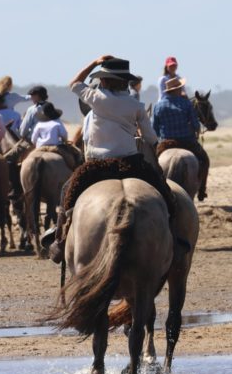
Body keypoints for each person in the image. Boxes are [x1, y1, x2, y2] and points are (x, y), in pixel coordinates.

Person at [43, 56, 175, 264]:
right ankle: (174, 235)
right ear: (125, 81)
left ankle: (60, 239)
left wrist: (95, 62)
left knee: (67, 192)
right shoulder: (136, 105)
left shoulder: (95, 98)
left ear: (104, 80)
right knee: (165, 192)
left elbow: (74, 83)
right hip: (131, 163)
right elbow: (150, 138)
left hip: (97, 165)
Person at [152, 76, 211, 200]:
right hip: (187, 142)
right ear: (176, 90)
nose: (181, 90)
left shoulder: (158, 106)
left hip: (166, 143)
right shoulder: (186, 103)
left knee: (151, 164)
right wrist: (195, 129)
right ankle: (202, 190)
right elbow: (195, 124)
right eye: (179, 88)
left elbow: (154, 129)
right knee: (205, 160)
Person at [30, 102, 83, 171]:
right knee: (72, 161)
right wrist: (65, 142)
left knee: (28, 159)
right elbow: (64, 135)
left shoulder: (39, 124)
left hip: (40, 147)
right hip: (55, 147)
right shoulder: (57, 122)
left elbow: (33, 139)